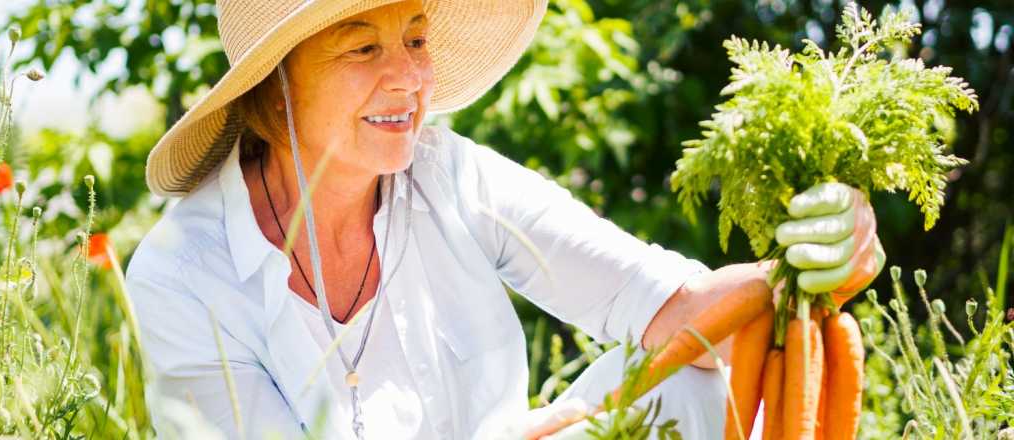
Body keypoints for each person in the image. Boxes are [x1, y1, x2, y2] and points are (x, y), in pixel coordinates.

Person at [125, 0, 885, 439]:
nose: (413, 78)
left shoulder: (448, 173)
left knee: (695, 367)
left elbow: (666, 308)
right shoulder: (182, 276)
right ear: (270, 90)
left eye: (417, 39)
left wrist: (813, 260)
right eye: (363, 47)